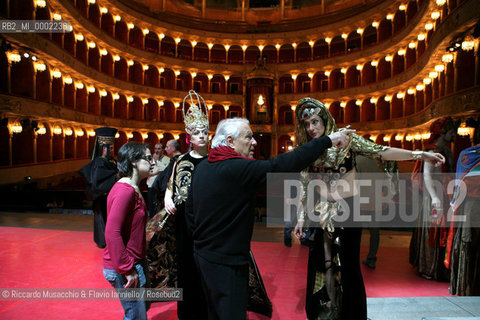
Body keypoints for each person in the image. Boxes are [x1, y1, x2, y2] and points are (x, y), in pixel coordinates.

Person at [292, 97, 445, 320]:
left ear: (325, 119)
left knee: (348, 265)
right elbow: (304, 185)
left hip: (349, 211)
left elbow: (381, 151)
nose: (311, 128)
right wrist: (300, 218)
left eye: (315, 122)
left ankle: (352, 316)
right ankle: (328, 313)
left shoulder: (347, 139)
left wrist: (419, 155)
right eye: (307, 124)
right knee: (322, 265)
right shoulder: (309, 149)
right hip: (321, 212)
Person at [186, 117, 354, 320]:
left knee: (214, 312)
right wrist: (327, 140)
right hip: (226, 262)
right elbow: (282, 165)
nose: (254, 142)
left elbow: (190, 214)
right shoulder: (236, 169)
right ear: (230, 141)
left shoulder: (203, 167)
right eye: (248, 137)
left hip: (203, 257)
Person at [102, 142, 154, 320]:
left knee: (141, 310)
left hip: (135, 261)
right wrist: (127, 268)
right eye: (148, 158)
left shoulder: (135, 188)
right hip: (125, 265)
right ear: (133, 161)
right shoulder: (124, 191)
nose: (152, 162)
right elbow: (111, 232)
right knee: (135, 316)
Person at [409, 117, 458, 281]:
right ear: (443, 133)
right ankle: (428, 267)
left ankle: (441, 268)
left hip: (446, 194)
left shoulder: (447, 151)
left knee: (443, 230)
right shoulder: (431, 151)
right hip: (433, 196)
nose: (454, 135)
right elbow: (427, 176)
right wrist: (435, 197)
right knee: (432, 231)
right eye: (451, 132)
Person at [446, 118, 480, 295]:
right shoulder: (469, 154)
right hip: (471, 206)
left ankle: (466, 286)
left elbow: (458, 185)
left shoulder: (467, 155)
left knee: (469, 243)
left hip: (470, 206)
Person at [79, 127, 118, 248]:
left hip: (108, 196)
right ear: (104, 148)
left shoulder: (111, 161)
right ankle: (103, 241)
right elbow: (98, 181)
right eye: (110, 148)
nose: (112, 150)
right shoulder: (99, 162)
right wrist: (116, 177)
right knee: (102, 219)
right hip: (102, 196)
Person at [146, 143, 170, 218]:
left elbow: (165, 171)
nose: (156, 151)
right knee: (151, 206)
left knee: (160, 207)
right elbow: (148, 172)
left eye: (159, 149)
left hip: (162, 186)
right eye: (155, 148)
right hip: (151, 185)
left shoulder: (167, 159)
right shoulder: (149, 159)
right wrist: (157, 171)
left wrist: (157, 162)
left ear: (163, 150)